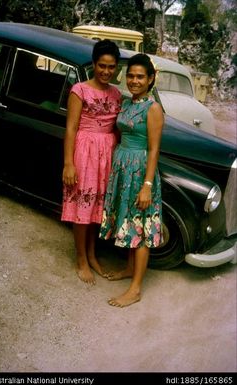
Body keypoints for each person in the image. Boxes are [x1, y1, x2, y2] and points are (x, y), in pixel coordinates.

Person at [99, 53, 164, 307]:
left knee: (140, 226)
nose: (134, 80)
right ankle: (128, 269)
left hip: (139, 171)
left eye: (140, 77)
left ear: (150, 79)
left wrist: (147, 185)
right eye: (131, 76)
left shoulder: (153, 108)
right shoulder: (126, 104)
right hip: (122, 167)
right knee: (127, 220)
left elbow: (155, 149)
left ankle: (135, 289)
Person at [61, 39, 121, 285]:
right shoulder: (80, 90)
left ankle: (93, 254)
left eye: (111, 67)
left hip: (106, 153)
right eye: (102, 66)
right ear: (94, 64)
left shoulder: (117, 93)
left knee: (97, 206)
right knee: (82, 206)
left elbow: (117, 127)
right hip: (84, 151)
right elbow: (71, 128)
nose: (106, 71)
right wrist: (68, 163)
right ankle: (81, 259)